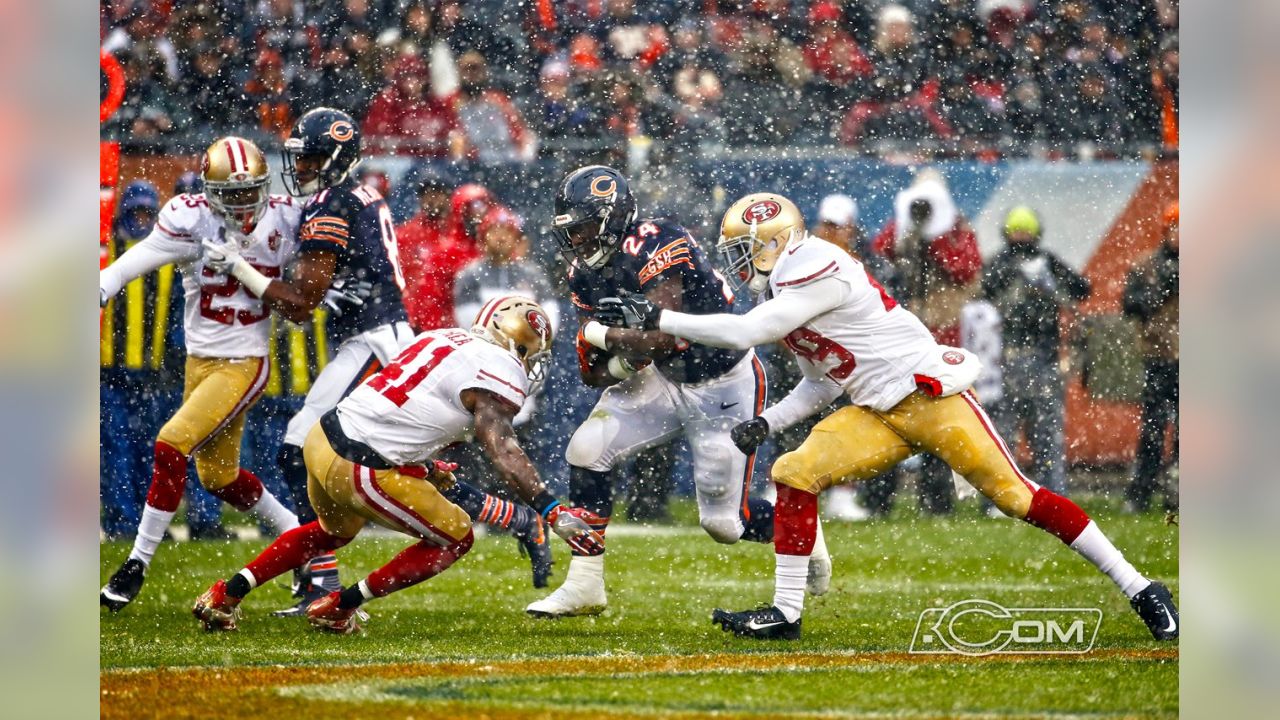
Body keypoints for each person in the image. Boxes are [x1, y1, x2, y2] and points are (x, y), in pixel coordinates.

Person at [596, 192, 1178, 642]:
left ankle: (1141, 586)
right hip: (874, 410)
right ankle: (786, 612)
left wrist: (656, 318)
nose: (738, 262)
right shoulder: (787, 288)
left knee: (1015, 496)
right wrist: (769, 423)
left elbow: (751, 332)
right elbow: (822, 383)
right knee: (795, 471)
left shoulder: (813, 262)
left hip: (929, 400)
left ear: (772, 242)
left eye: (743, 249)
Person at [209, 108, 548, 609]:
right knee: (406, 465)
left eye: (311, 157)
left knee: (308, 446)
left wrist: (239, 267)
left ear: (336, 158)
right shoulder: (357, 195)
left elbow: (301, 304)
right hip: (376, 333)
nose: (301, 167)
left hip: (373, 339)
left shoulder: (334, 202)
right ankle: (514, 518)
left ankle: (322, 583)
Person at [193, 298, 603, 633]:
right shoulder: (500, 367)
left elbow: (404, 408)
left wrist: (424, 463)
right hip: (360, 463)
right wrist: (550, 507)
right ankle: (339, 606)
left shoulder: (445, 336)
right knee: (456, 537)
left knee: (330, 532)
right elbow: (503, 449)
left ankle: (224, 594)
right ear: (518, 343)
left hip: (323, 438)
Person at [525, 166, 829, 618]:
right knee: (587, 448)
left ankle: (807, 532)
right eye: (573, 231)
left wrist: (603, 337)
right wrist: (615, 359)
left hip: (722, 383)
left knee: (726, 524)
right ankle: (584, 584)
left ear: (611, 217)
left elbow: (663, 336)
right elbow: (595, 374)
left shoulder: (658, 239)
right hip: (664, 378)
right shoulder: (583, 274)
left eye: (586, 228)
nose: (579, 241)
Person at [99, 138, 304, 611]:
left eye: (250, 190)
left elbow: (317, 266)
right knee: (219, 477)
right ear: (208, 192)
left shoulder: (286, 217)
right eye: (230, 193)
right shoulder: (189, 216)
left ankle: (136, 563)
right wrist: (104, 284)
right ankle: (300, 539)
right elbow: (140, 256)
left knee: (171, 443)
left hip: (245, 360)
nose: (242, 202)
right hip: (200, 359)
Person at [871, 170, 983, 514]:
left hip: (941, 333)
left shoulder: (958, 230)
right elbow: (882, 251)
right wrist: (907, 230)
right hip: (906, 335)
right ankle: (880, 499)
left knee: (940, 418)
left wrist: (937, 240)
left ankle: (936, 500)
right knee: (889, 412)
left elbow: (966, 268)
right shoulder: (903, 224)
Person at [981, 206, 1090, 495]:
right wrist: (1014, 273)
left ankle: (1052, 494)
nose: (1021, 236)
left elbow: (1081, 288)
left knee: (1047, 434)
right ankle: (1002, 495)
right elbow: (984, 290)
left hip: (1045, 357)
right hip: (1006, 359)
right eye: (1017, 230)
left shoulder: (1047, 261)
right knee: (1003, 433)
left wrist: (1047, 280)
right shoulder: (1000, 263)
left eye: (1026, 230)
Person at [1122, 203, 1179, 512]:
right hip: (1158, 355)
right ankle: (1140, 493)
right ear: (1167, 230)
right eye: (1177, 229)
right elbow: (1130, 305)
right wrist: (1161, 290)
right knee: (1153, 431)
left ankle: (1178, 493)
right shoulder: (1147, 266)